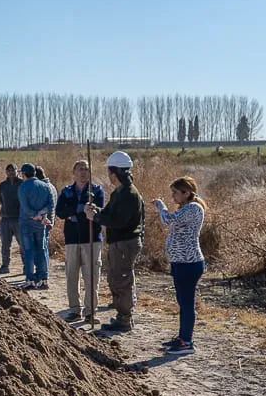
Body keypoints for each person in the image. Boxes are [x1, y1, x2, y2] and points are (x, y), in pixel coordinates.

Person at [86, 151, 144, 332]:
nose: (109, 176)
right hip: (121, 242)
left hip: (125, 242)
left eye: (110, 173)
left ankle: (125, 319)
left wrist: (95, 218)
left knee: (121, 280)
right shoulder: (121, 192)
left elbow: (118, 221)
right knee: (116, 278)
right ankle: (122, 316)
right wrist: (96, 209)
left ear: (115, 173)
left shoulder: (128, 193)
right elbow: (110, 213)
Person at [153, 177, 207, 354]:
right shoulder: (186, 208)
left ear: (186, 193)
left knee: (187, 303)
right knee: (183, 302)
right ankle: (182, 337)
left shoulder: (193, 208)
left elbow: (167, 219)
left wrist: (161, 206)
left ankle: (186, 341)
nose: (173, 197)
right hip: (180, 263)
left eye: (175, 193)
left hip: (189, 264)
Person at [55, 160, 105, 323]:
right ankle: (75, 310)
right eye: (80, 169)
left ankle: (91, 311)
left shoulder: (96, 191)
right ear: (74, 172)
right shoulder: (67, 191)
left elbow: (97, 211)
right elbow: (60, 212)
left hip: (91, 239)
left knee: (91, 276)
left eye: (86, 169)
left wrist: (77, 215)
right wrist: (78, 210)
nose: (83, 172)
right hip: (71, 238)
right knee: (71, 275)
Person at [15, 162, 55, 289]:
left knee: (29, 251)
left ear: (24, 173)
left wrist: (35, 215)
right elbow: (51, 204)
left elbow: (25, 208)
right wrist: (42, 214)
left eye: (21, 172)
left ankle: (30, 279)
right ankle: (44, 279)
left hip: (27, 224)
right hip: (41, 223)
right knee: (42, 250)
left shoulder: (23, 187)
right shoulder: (45, 186)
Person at [0, 164, 22, 274]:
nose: (11, 172)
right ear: (6, 172)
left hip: (19, 218)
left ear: (17, 171)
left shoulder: (22, 184)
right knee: (5, 244)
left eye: (13, 170)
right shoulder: (2, 185)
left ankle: (27, 266)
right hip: (5, 218)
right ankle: (5, 265)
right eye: (9, 170)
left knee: (23, 244)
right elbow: (0, 200)